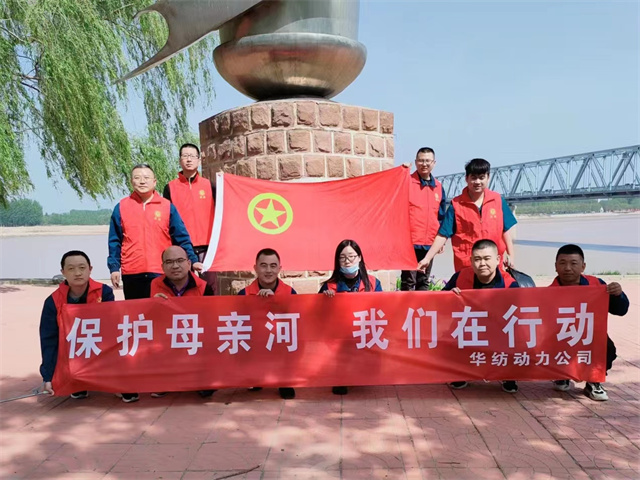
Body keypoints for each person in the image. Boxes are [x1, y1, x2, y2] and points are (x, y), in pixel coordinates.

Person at [108, 163, 202, 300]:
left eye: (146, 178)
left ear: (154, 181)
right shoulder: (122, 207)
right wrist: (114, 268)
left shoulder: (167, 206)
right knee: (137, 311)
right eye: (137, 178)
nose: (142, 181)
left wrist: (192, 261)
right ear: (131, 182)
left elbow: (182, 238)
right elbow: (114, 241)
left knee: (163, 310)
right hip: (132, 272)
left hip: (162, 271)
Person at [550, 244, 629, 401]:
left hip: (590, 336)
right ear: (556, 266)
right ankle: (562, 374)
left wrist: (618, 295)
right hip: (561, 336)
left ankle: (593, 380)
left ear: (583, 266)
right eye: (562, 263)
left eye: (573, 263)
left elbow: (621, 310)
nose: (567, 268)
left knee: (608, 348)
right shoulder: (548, 292)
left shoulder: (597, 286)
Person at [443, 239, 520, 393]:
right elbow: (439, 302)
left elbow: (518, 316)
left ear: (498, 259)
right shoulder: (460, 277)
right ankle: (461, 372)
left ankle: (508, 374)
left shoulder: (510, 284)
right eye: (477, 259)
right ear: (471, 261)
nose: (482, 264)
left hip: (499, 330)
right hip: (469, 328)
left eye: (487, 258)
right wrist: (449, 296)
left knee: (515, 335)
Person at [418, 158, 517, 273]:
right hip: (467, 266)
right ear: (466, 179)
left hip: (493, 265)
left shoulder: (498, 200)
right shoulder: (456, 205)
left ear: (488, 178)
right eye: (473, 178)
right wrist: (427, 258)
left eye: (482, 177)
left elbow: (505, 230)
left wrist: (511, 255)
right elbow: (443, 235)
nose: (478, 182)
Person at [39, 251, 114, 399]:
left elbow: (113, 328)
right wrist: (48, 377)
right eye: (71, 269)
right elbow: (49, 340)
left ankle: (113, 379)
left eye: (82, 267)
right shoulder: (52, 301)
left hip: (99, 346)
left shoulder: (104, 292)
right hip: (72, 351)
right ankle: (77, 380)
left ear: (90, 269)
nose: (78, 273)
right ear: (63, 272)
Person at [150, 246, 215, 398]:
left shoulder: (203, 287)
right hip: (166, 337)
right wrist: (151, 305)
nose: (175, 266)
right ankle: (164, 379)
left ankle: (201, 377)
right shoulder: (154, 285)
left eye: (180, 261)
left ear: (188, 263)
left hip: (195, 337)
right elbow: (144, 317)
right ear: (162, 267)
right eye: (169, 262)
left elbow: (211, 320)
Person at [320, 239, 382, 395]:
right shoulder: (329, 286)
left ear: (359, 258)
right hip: (340, 338)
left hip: (365, 333)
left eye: (351, 257)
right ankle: (341, 376)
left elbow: (383, 310)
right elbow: (318, 315)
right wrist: (325, 301)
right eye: (342, 258)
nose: (347, 261)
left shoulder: (373, 283)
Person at [238, 248, 297, 400]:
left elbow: (297, 322)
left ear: (279, 268)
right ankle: (256, 376)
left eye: (273, 266)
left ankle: (285, 381)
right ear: (255, 268)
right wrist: (257, 304)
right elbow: (239, 324)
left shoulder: (290, 293)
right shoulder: (244, 294)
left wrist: (274, 302)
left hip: (281, 340)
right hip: (256, 342)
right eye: (263, 265)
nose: (268, 270)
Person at [163, 143, 217, 292]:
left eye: (192, 156)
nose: (188, 160)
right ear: (180, 160)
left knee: (209, 289)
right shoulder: (170, 188)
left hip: (207, 247)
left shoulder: (209, 185)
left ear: (199, 160)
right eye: (185, 156)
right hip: (182, 247)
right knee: (184, 288)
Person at [401, 147, 446, 291]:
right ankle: (406, 306)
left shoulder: (438, 186)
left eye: (427, 161)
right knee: (408, 281)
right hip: (410, 241)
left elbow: (441, 216)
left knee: (424, 281)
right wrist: (401, 171)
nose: (424, 164)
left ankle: (422, 306)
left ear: (434, 163)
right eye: (421, 161)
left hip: (429, 243)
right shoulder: (406, 181)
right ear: (416, 162)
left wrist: (440, 241)